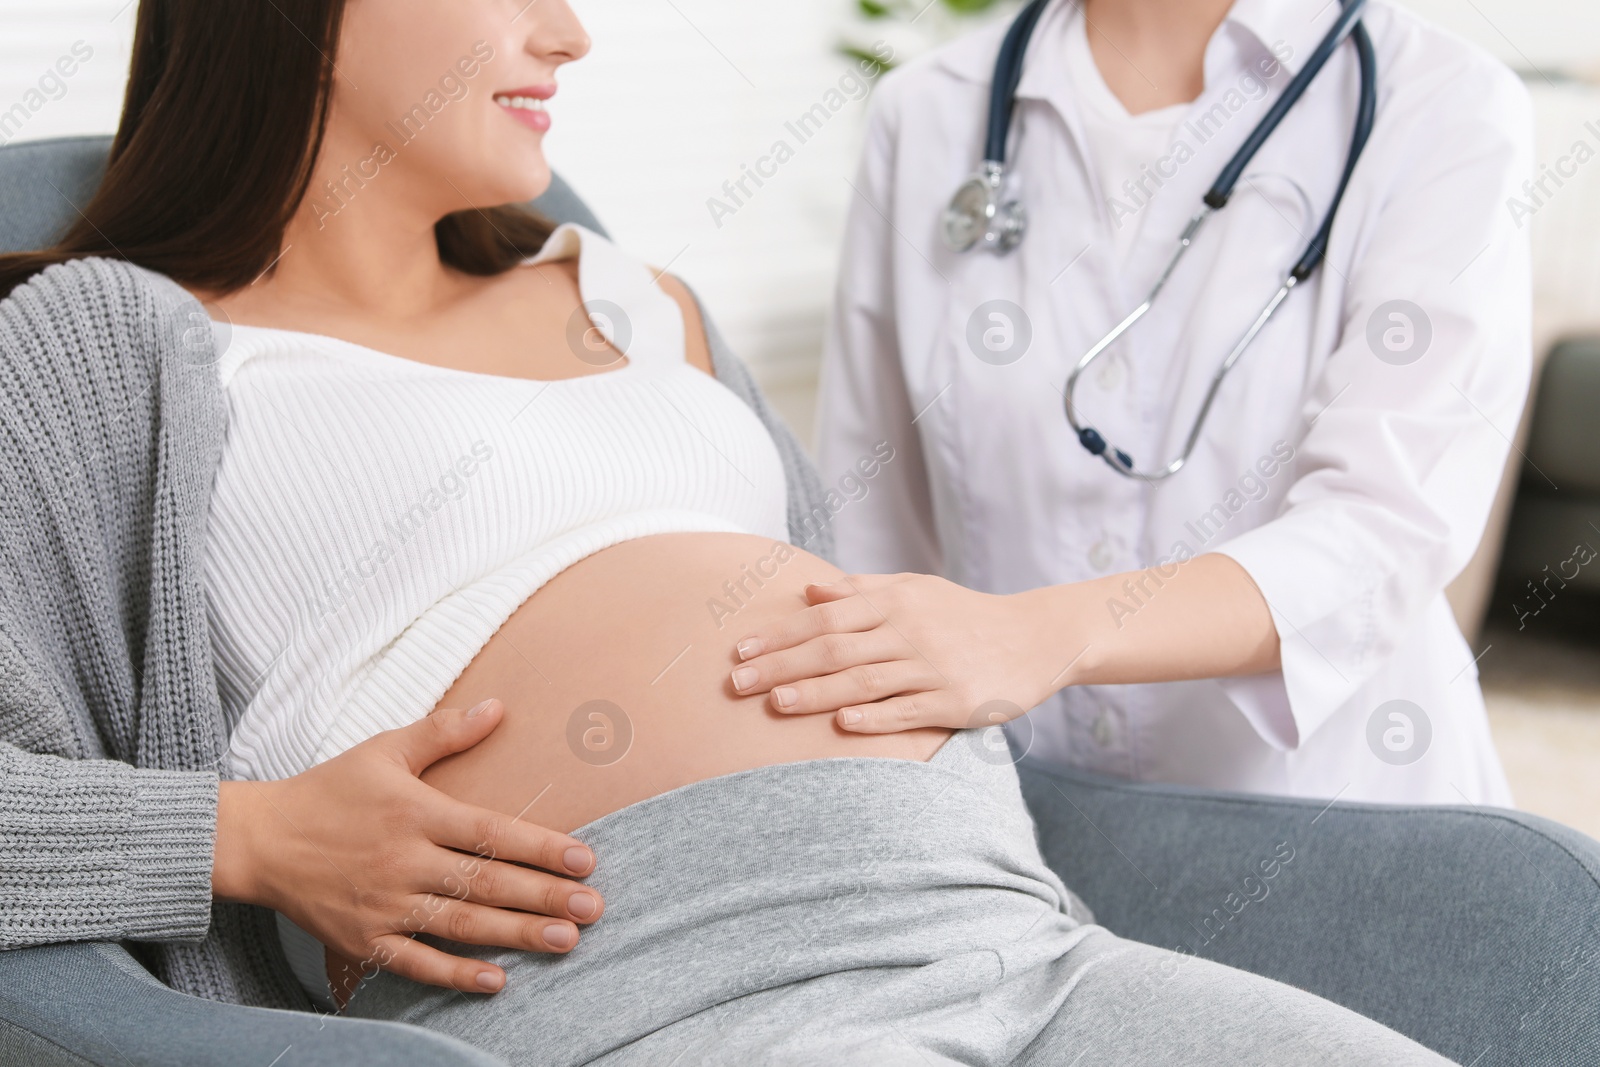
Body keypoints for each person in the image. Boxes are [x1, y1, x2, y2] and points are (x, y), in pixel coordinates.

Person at [0, 0, 1451, 1062]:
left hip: (1001, 914)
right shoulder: (107, 349)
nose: (567, 34)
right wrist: (242, 836)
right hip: (651, 984)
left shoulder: (643, 303)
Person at [756, 0, 1533, 804]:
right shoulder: (926, 112)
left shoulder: (1442, 102)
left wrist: (1043, 636)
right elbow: (867, 525)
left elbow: (1383, 530)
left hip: (1335, 817)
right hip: (1018, 833)